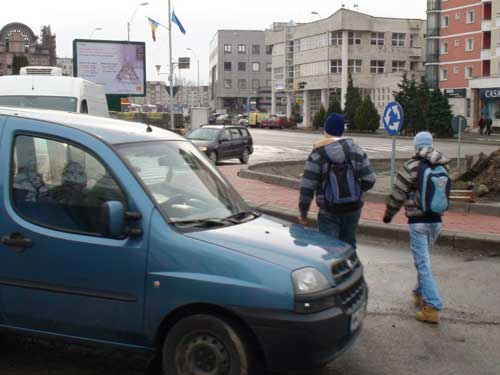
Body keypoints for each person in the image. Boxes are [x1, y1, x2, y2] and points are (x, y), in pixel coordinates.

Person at [383, 131, 450, 324]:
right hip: (436, 220)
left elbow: (397, 194)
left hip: (418, 222)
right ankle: (419, 293)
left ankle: (433, 307)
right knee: (425, 261)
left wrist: (388, 215)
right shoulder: (442, 164)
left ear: (415, 146)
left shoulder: (411, 166)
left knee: (422, 264)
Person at [298, 113, 376, 249]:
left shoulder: (317, 154)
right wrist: (354, 190)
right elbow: (370, 179)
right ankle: (351, 269)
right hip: (353, 208)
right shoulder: (356, 151)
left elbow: (307, 187)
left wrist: (303, 212)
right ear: (342, 131)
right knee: (349, 246)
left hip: (329, 210)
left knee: (329, 249)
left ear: (326, 131)